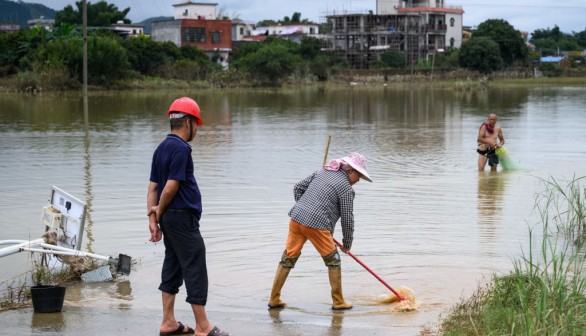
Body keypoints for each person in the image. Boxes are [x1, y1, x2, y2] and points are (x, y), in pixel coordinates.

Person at [147, 97, 231, 336]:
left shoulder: (161, 147)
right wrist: (160, 211)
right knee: (195, 265)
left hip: (169, 219)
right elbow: (171, 187)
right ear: (187, 122)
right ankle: (203, 327)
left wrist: (153, 219)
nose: (197, 129)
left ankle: (168, 322)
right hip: (181, 217)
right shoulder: (181, 148)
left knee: (173, 264)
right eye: (197, 123)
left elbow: (153, 188)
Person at [268, 152, 372, 310]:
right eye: (358, 177)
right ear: (350, 171)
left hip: (296, 218)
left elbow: (298, 188)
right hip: (317, 225)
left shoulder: (321, 172)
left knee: (288, 257)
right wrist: (347, 244)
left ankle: (274, 299)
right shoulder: (346, 189)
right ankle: (338, 301)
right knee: (333, 261)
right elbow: (347, 219)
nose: (358, 181)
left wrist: (305, 208)